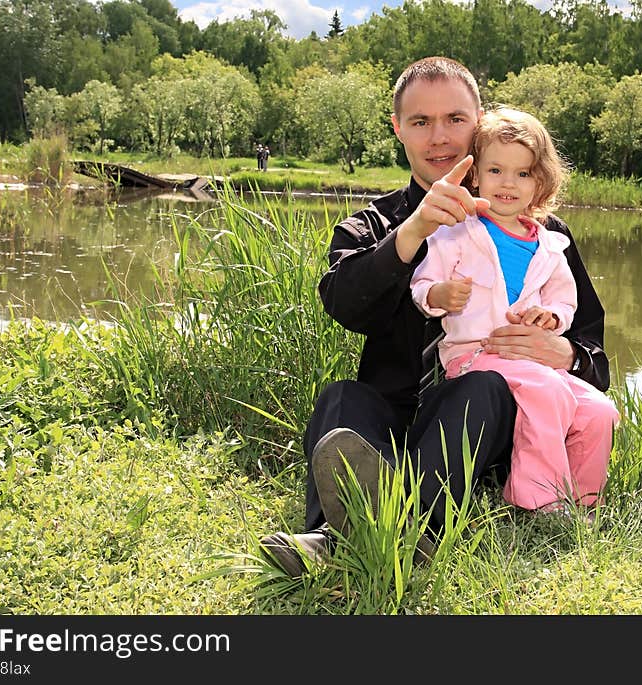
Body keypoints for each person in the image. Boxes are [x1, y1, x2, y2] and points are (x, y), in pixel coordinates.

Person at [260, 57, 611, 578]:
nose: (440, 138)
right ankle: (364, 535)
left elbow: (596, 358)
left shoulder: (539, 233)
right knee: (342, 397)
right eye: (421, 122)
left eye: (455, 119)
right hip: (394, 415)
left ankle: (356, 539)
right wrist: (413, 231)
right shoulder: (372, 225)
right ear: (398, 128)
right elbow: (345, 303)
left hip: (481, 426)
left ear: (480, 120)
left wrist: (565, 353)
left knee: (486, 385)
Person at [410, 107, 619, 514]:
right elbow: (421, 286)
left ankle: (584, 503)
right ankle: (538, 500)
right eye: (496, 171)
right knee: (548, 391)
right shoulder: (457, 232)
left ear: (540, 181)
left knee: (599, 409)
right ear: (474, 175)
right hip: (475, 356)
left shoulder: (550, 245)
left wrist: (551, 319)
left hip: (533, 361)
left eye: (522, 174)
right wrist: (440, 295)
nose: (508, 183)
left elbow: (565, 301)